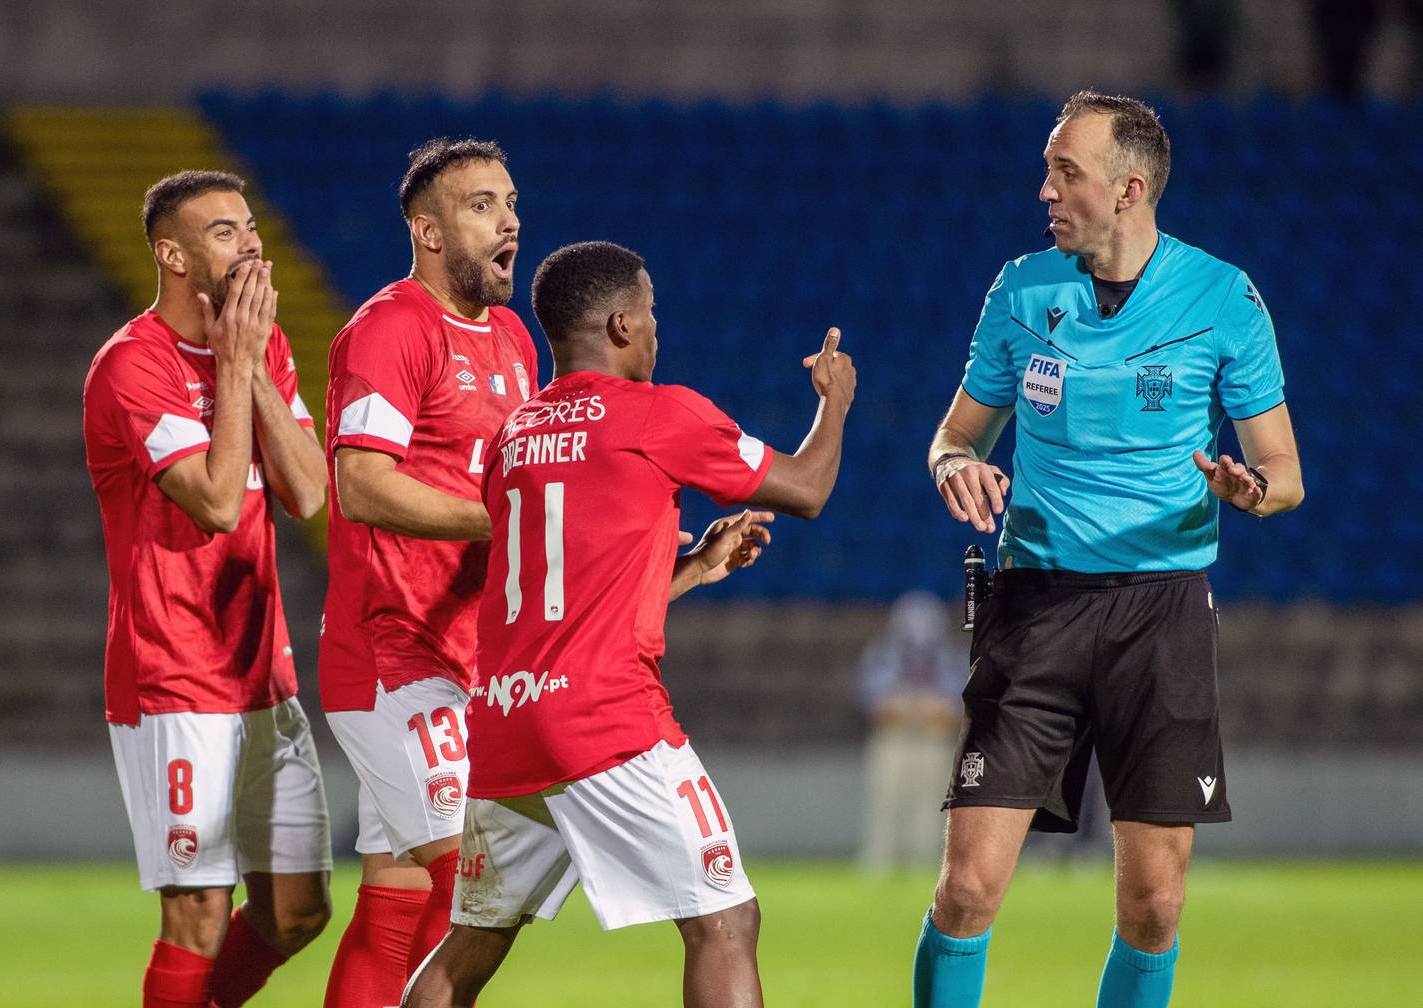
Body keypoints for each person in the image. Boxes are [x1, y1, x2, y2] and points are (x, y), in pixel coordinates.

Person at [917, 91, 1305, 1008]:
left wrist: (1253, 494)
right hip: (1036, 605)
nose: (1043, 188)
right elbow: (953, 436)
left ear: (1129, 188)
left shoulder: (1223, 297)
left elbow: (1284, 471)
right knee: (968, 886)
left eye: (1065, 171)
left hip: (1161, 612)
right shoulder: (1021, 288)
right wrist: (954, 467)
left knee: (1154, 905)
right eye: (1049, 168)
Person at [403, 239, 856, 1008]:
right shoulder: (657, 413)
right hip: (604, 719)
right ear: (619, 325)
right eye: (649, 314)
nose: (656, 329)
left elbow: (569, 594)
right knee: (725, 919)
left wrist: (693, 568)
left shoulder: (513, 439)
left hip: (507, 723)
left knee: (472, 942)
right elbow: (806, 489)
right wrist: (835, 399)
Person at [82, 170, 333, 1008]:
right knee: (197, 914)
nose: (251, 243)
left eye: (252, 226)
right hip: (176, 678)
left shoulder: (269, 346)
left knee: (298, 912)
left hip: (263, 674)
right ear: (173, 254)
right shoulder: (131, 365)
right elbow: (221, 502)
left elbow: (307, 492)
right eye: (225, 231)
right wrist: (233, 366)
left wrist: (252, 365)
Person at [316, 138, 539, 1004]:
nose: (509, 218)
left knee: (396, 902)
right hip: (391, 656)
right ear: (429, 232)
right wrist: (502, 519)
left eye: (510, 201)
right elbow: (361, 486)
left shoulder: (515, 339)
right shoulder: (388, 328)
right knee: (469, 891)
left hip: (465, 657)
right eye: (482, 203)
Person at [855, 590, 966, 873]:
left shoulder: (950, 658)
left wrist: (924, 711)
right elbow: (873, 703)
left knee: (931, 804)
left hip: (933, 740)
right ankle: (879, 859)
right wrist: (911, 710)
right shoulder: (882, 655)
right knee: (886, 799)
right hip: (893, 739)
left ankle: (925, 860)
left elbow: (956, 706)